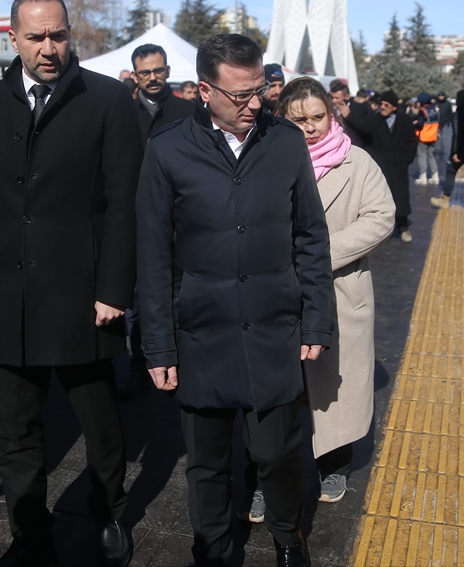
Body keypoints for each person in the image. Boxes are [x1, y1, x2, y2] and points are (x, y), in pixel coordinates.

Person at [0, 0, 139, 567]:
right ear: (13, 38)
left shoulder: (106, 99)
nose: (49, 48)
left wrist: (114, 288)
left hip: (83, 294)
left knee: (100, 422)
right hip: (6, 290)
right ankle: (29, 529)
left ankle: (108, 511)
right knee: (17, 431)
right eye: (36, 37)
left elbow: (122, 204)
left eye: (58, 34)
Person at [137, 34, 334, 567]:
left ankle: (288, 536)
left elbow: (310, 236)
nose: (255, 105)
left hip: (274, 331)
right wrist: (158, 347)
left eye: (260, 92)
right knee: (207, 464)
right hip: (201, 333)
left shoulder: (286, 143)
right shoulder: (168, 149)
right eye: (240, 95)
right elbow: (152, 256)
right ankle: (214, 548)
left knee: (277, 453)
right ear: (205, 90)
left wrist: (316, 320)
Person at [276, 78, 393, 503]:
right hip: (282, 292)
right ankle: (268, 473)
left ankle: (334, 466)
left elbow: (381, 217)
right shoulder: (271, 160)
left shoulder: (357, 162)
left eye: (317, 117)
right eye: (298, 119)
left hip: (341, 290)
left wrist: (321, 252)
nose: (310, 127)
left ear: (332, 112)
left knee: (335, 388)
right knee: (281, 389)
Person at [119, 44, 196, 399]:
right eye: (145, 72)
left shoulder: (188, 110)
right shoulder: (121, 111)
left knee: (178, 291)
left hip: (180, 217)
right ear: (134, 75)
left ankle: (180, 358)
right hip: (135, 219)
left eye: (158, 70)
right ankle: (140, 364)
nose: (153, 78)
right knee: (138, 298)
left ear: (168, 70)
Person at [373, 89, 417, 242]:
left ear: (394, 107)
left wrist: (407, 159)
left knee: (401, 198)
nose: (382, 107)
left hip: (399, 166)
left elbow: (412, 142)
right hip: (382, 166)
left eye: (386, 104)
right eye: (381, 104)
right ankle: (384, 231)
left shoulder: (405, 120)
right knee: (382, 199)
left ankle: (403, 227)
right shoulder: (376, 120)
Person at [414, 92, 441, 183]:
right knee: (431, 156)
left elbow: (420, 124)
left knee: (422, 156)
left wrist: (415, 124)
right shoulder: (434, 110)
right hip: (433, 136)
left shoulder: (422, 111)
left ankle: (423, 176)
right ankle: (435, 175)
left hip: (423, 137)